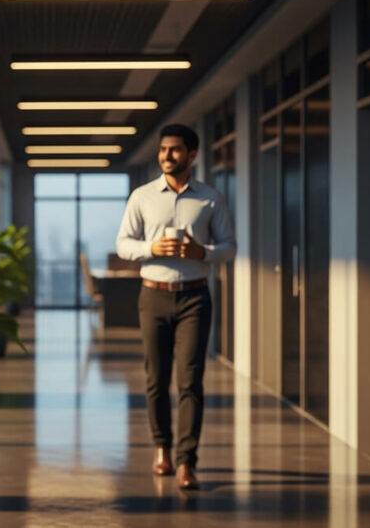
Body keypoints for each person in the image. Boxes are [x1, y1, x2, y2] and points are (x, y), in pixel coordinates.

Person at [115, 123, 236, 490]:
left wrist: (205, 252)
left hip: (195, 297)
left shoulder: (211, 199)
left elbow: (229, 247)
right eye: (163, 149)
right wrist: (150, 249)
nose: (167, 156)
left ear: (193, 155)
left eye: (176, 150)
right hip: (153, 295)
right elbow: (123, 244)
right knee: (156, 380)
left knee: (190, 381)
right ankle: (162, 448)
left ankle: (187, 462)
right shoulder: (142, 196)